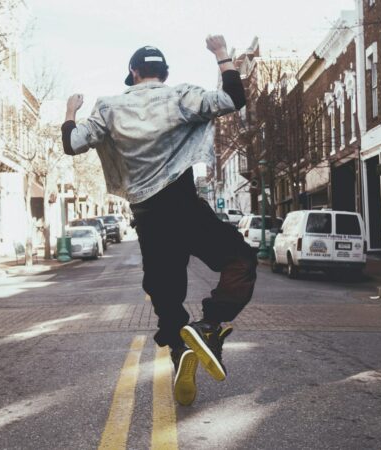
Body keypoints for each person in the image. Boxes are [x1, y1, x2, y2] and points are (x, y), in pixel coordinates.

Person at [62, 35, 257, 406]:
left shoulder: (109, 108)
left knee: (167, 299)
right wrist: (221, 55)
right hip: (185, 206)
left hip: (149, 219)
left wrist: (71, 111)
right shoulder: (181, 96)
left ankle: (180, 350)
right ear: (163, 73)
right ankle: (210, 325)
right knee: (241, 261)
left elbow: (72, 144)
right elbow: (234, 98)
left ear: (133, 73)